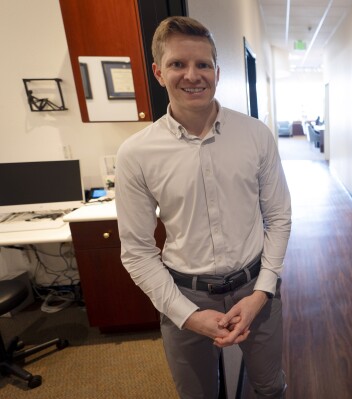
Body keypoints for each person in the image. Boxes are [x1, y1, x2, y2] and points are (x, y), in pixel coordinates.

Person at [115, 16, 291, 399]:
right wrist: (188, 315)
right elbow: (137, 252)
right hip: (183, 296)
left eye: (203, 64)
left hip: (256, 286)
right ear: (159, 72)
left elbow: (278, 218)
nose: (192, 75)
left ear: (217, 71)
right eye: (178, 64)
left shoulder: (255, 136)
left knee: (270, 386)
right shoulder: (136, 153)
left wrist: (263, 291)